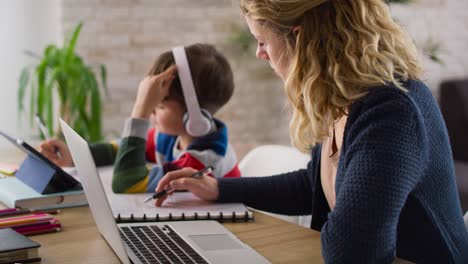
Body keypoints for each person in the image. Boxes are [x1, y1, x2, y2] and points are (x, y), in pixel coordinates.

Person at [153, 1, 468, 263]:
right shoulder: (341, 99)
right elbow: (313, 187)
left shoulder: (392, 112)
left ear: (301, 39)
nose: (259, 53)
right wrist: (218, 189)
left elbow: (352, 252)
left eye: (262, 41)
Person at [39, 43, 241, 194]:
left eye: (159, 105)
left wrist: (141, 111)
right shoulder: (171, 136)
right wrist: (74, 155)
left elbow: (127, 182)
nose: (152, 110)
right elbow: (120, 150)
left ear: (195, 118)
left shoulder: (202, 161)